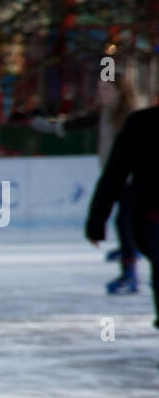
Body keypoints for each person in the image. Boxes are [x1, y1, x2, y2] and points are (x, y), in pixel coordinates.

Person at [87, 101, 159, 344]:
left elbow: (115, 172)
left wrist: (97, 221)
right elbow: (116, 172)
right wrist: (97, 220)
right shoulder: (142, 122)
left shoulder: (138, 120)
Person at [61, 78, 140, 293]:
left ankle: (130, 271)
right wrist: (58, 127)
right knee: (126, 222)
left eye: (106, 89)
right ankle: (131, 256)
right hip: (115, 177)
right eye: (99, 89)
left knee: (126, 221)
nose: (101, 93)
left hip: (132, 179)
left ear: (119, 91)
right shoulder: (106, 114)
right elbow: (83, 122)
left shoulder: (130, 115)